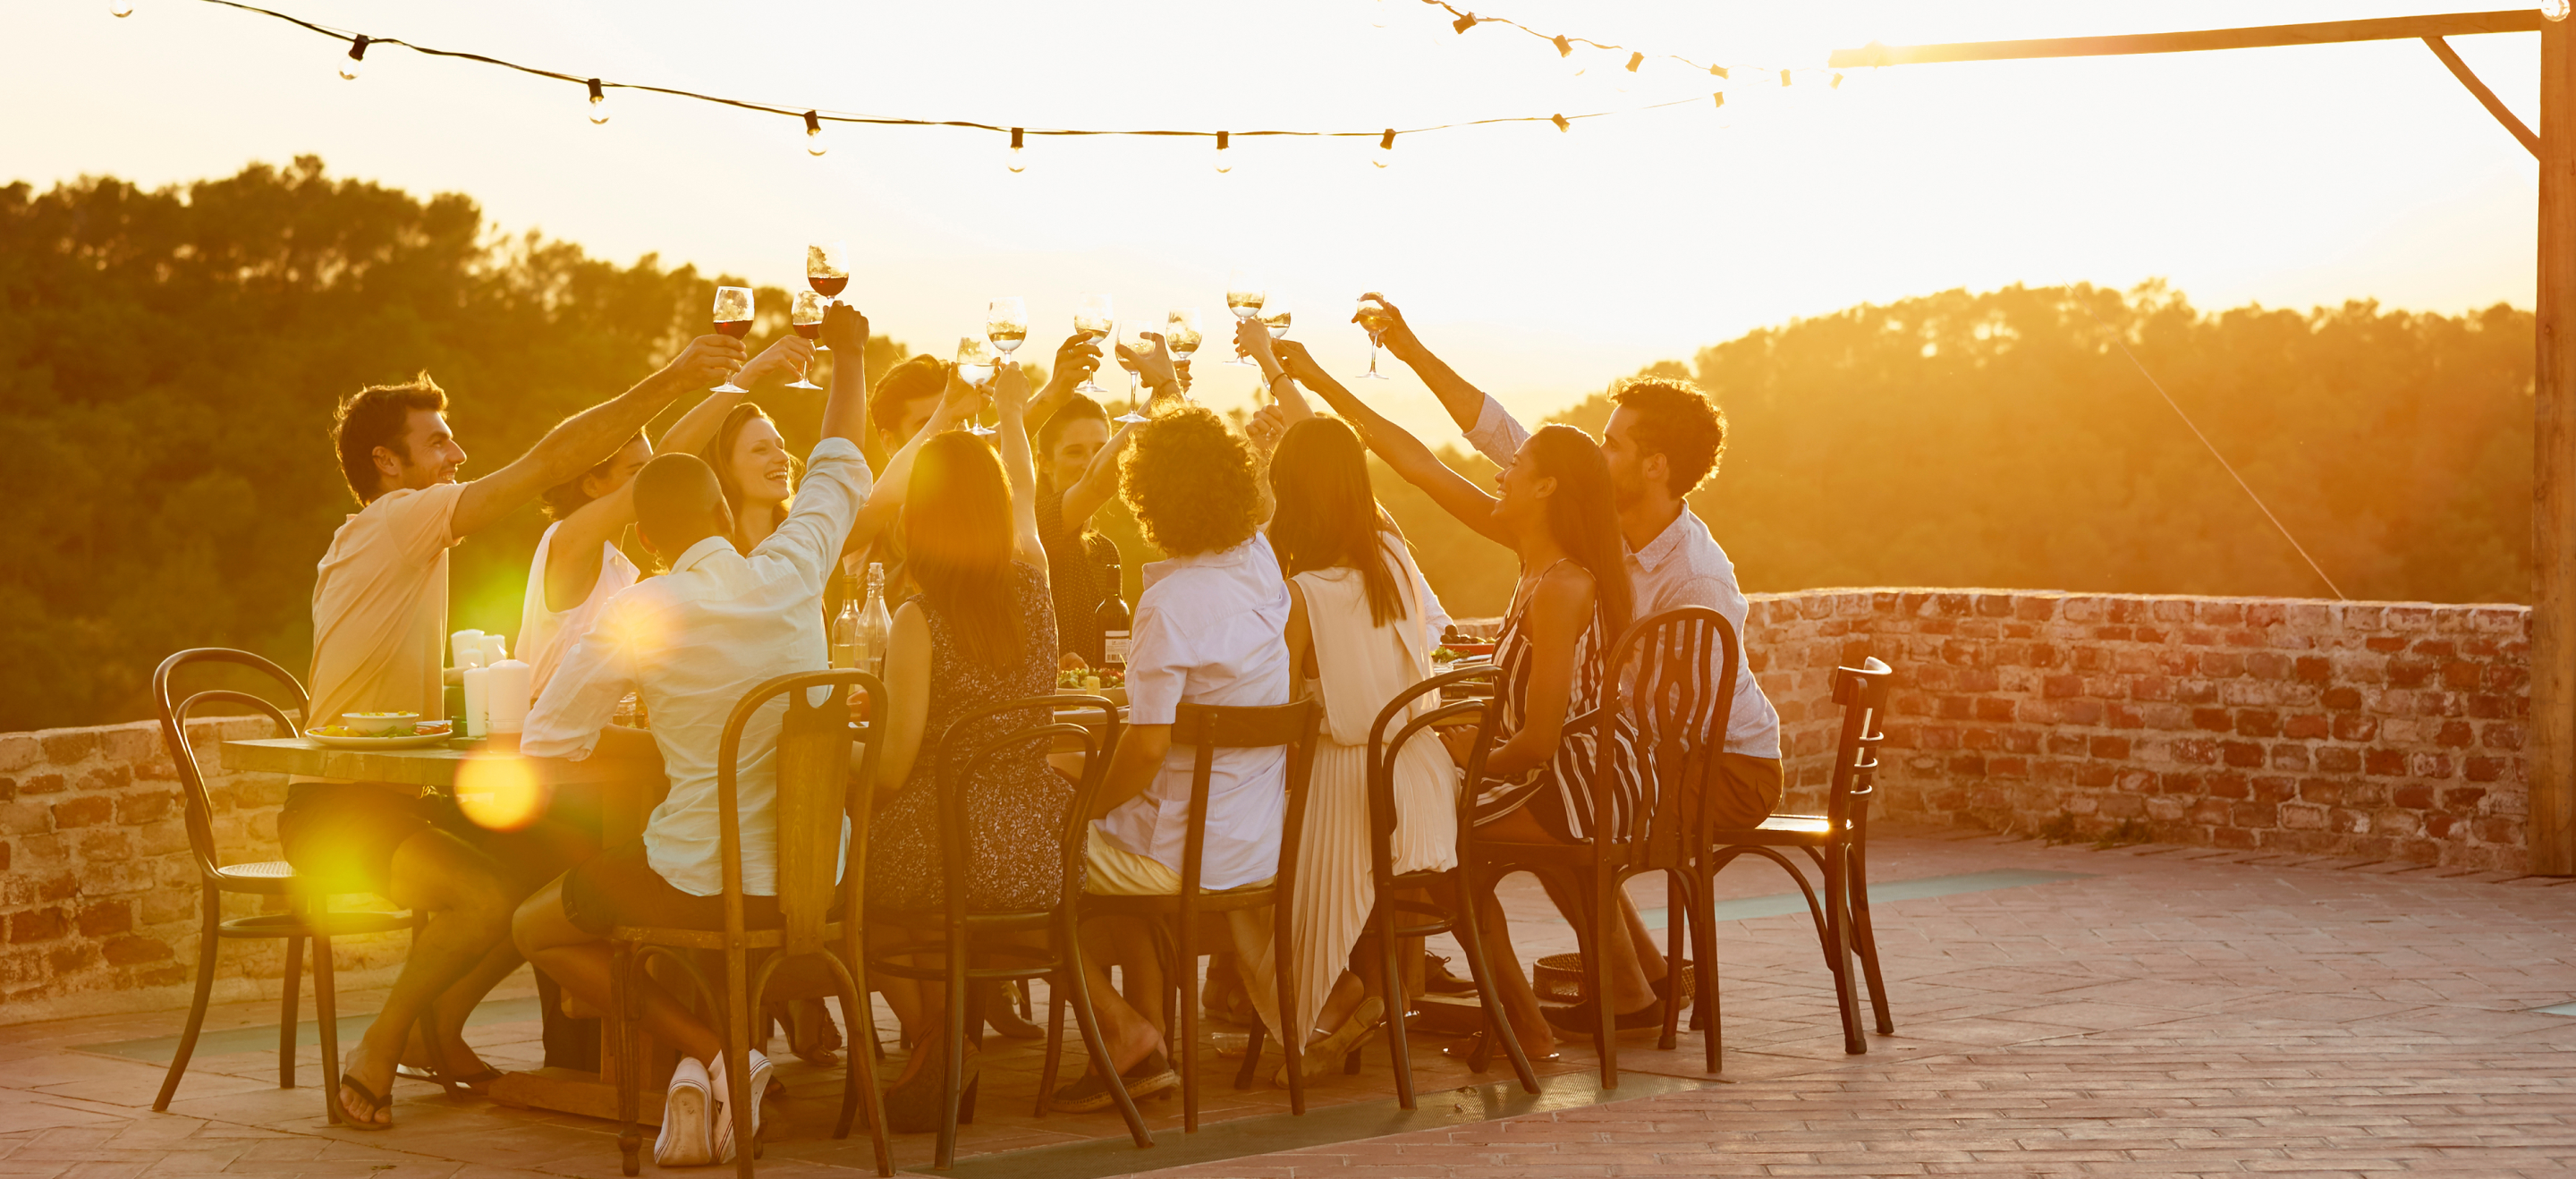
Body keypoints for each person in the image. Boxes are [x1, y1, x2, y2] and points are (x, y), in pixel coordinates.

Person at [287, 331, 747, 1129]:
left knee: (555, 865)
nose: (458, 453)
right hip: (336, 807)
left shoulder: (408, 538)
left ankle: (445, 1026)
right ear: (386, 465)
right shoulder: (395, 520)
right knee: (486, 896)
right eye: (437, 442)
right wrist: (674, 375)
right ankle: (383, 1046)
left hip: (404, 793)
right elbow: (543, 463)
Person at [1319, 295, 1786, 1032]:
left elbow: (1676, 717)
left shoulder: (1695, 577)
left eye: (1613, 445)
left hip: (1718, 765)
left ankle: (1591, 997)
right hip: (1629, 747)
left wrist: (1527, 729)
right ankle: (1637, 985)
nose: (1597, 455)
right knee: (1553, 790)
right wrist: (1406, 348)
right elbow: (1494, 430)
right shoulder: (1584, 519)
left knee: (1551, 805)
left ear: (1655, 465)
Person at [510, 301, 873, 1167]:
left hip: (692, 882)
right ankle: (713, 1064)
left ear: (643, 537)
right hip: (814, 880)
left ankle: (713, 1056)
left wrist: (660, 725)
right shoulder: (796, 566)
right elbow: (840, 464)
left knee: (536, 927)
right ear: (721, 503)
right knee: (636, 890)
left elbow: (548, 743)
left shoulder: (641, 608)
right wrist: (850, 357)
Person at [1273, 334, 1638, 1065]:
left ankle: (1513, 1024)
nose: (1503, 473)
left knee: (1439, 839)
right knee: (1421, 816)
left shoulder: (1565, 586)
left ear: (1547, 490)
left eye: (1516, 468)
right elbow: (1413, 461)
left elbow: (1539, 742)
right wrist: (1310, 377)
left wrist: (1468, 758)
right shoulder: (1531, 552)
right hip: (1557, 767)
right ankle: (1460, 1010)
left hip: (1581, 780)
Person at [1050, 387, 1293, 1114]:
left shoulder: (1170, 604)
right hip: (1254, 842)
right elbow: (1259, 509)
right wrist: (1172, 393)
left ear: (1148, 499)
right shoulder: (1259, 565)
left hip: (1186, 855)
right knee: (1101, 838)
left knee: (1044, 854)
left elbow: (1146, 749)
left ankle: (1126, 1030)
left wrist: (1075, 806)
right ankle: (1147, 1037)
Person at [860, 361, 1066, 1131]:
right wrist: (1013, 416)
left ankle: (934, 1041)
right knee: (907, 873)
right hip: (1040, 848)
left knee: (857, 899)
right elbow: (1023, 487)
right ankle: (940, 1051)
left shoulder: (919, 619)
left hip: (952, 845)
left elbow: (894, 764)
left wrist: (849, 785)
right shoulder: (1036, 583)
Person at [1260, 411, 1460, 1087]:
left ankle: (1324, 1009)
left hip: (1354, 790)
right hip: (1423, 781)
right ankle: (1327, 1016)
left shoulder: (1301, 595)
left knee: (1237, 870)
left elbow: (1276, 715)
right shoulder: (1396, 561)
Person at [520, 339, 812, 696]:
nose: (650, 483)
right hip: (562, 738)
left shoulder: (619, 564)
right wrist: (747, 376)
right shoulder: (566, 542)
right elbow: (669, 457)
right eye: (635, 472)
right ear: (592, 485)